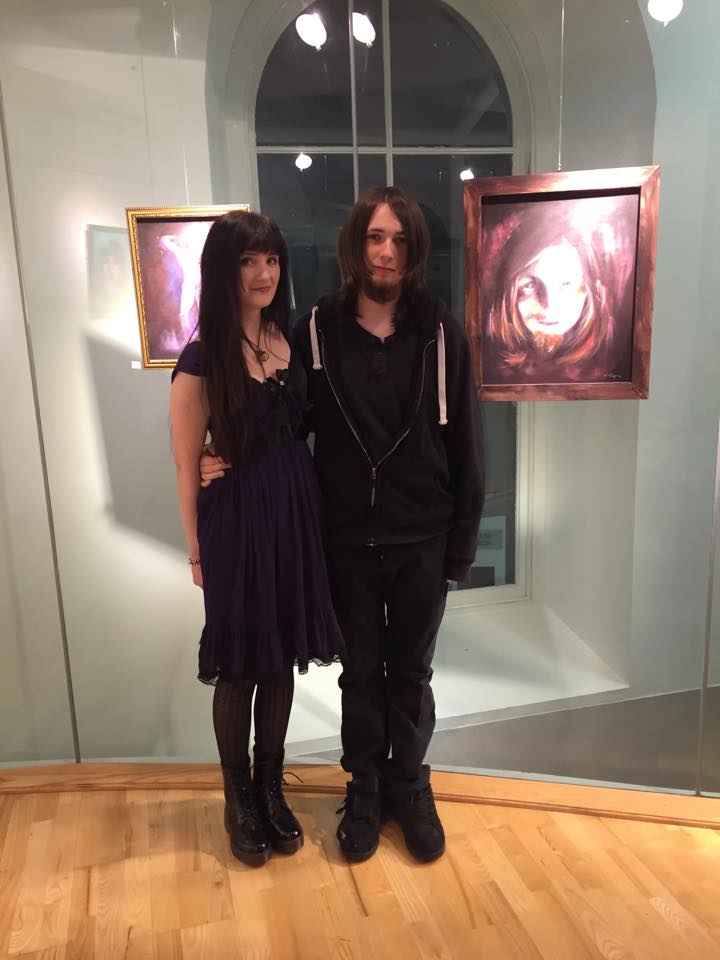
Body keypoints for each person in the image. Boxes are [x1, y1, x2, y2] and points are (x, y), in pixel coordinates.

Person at [202, 187, 484, 864]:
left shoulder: (442, 332)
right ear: (356, 245)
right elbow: (282, 419)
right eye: (375, 238)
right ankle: (364, 788)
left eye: (401, 240)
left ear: (415, 252)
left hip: (423, 537)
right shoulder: (316, 331)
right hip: (344, 539)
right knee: (358, 674)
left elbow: (468, 444)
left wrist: (460, 549)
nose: (387, 252)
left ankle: (408, 786)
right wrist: (220, 456)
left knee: (410, 674)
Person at [170, 210, 344, 867]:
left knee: (279, 658)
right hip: (237, 522)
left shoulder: (289, 338)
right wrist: (195, 550)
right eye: (248, 260)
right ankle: (237, 797)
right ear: (224, 270)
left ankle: (271, 787)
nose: (263, 272)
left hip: (295, 513)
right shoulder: (200, 360)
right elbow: (186, 466)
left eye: (271, 259)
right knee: (241, 663)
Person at [482, 197, 635, 385]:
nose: (549, 304)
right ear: (508, 293)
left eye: (566, 283)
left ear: (590, 289)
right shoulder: (491, 361)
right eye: (530, 285)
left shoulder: (607, 365)